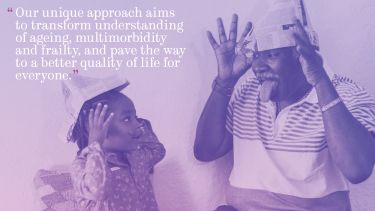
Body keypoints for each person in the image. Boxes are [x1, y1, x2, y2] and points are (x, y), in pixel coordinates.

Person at [194, 10, 375, 211]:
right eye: (256, 56)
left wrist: (320, 81)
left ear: (302, 57)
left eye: (271, 55)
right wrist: (224, 84)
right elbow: (206, 151)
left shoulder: (345, 93)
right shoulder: (249, 90)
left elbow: (358, 169)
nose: (258, 67)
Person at [64, 76, 165, 211]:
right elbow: (97, 189)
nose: (137, 124)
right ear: (95, 126)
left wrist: (139, 123)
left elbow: (157, 150)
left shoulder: (136, 157)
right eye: (127, 119)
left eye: (136, 117)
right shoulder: (81, 165)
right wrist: (95, 144)